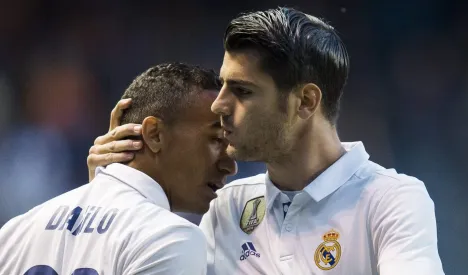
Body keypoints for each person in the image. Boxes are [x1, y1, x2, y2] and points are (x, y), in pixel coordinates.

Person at [87, 7, 445, 275]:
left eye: (242, 91)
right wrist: (110, 195)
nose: (218, 104)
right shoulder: (226, 207)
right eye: (224, 84)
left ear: (305, 102)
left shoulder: (391, 200)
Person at [0, 63, 236, 275]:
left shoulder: (14, 232)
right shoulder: (171, 237)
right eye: (216, 140)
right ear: (154, 134)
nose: (229, 165)